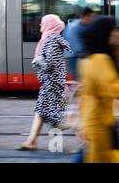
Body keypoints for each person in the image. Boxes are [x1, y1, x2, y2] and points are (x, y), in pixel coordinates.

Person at [79, 16, 119, 163]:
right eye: (115, 30)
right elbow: (110, 90)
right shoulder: (99, 60)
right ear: (104, 33)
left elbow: (98, 92)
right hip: (100, 126)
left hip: (104, 122)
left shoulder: (93, 58)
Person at [17, 14, 71, 151]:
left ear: (49, 25)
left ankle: (82, 133)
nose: (40, 26)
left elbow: (50, 63)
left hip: (51, 83)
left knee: (55, 117)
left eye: (42, 23)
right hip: (51, 82)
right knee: (41, 111)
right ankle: (31, 141)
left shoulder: (51, 39)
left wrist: (37, 61)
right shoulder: (49, 38)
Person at [63, 7, 95, 81]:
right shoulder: (74, 27)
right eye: (90, 17)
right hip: (75, 57)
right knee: (78, 80)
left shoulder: (82, 25)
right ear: (85, 16)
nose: (92, 19)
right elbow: (76, 46)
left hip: (80, 56)